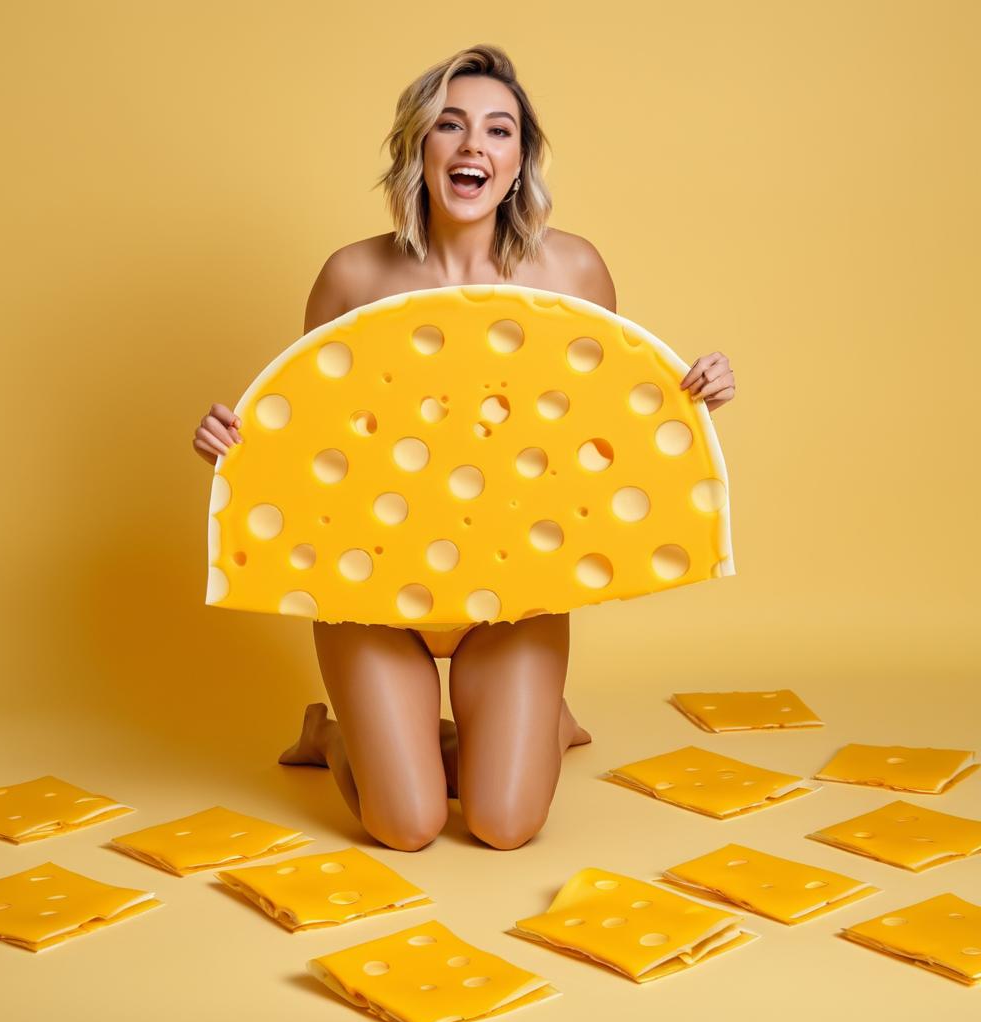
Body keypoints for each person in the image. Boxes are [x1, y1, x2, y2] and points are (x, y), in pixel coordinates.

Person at [192, 44, 736, 853]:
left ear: (518, 164)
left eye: (498, 130)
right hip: (369, 596)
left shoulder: (573, 270)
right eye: (451, 125)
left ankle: (535, 720)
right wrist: (233, 440)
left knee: (501, 824)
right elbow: (316, 448)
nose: (474, 144)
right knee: (405, 827)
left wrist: (691, 388)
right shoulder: (352, 277)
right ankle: (335, 733)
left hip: (514, 597)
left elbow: (602, 432)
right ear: (421, 147)